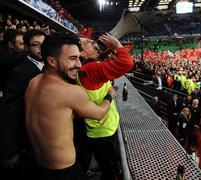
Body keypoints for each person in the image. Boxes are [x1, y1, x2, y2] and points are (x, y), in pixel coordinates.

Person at [25, 33, 115, 180]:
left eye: (79, 58)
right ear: (52, 61)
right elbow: (99, 113)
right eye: (72, 59)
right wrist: (110, 95)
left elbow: (55, 114)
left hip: (37, 167)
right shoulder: (70, 92)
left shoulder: (33, 82)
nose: (79, 65)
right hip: (64, 172)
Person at [78, 34, 134, 180]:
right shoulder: (91, 69)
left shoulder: (86, 67)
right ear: (82, 54)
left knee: (108, 169)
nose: (92, 41)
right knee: (113, 173)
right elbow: (126, 63)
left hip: (98, 131)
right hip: (104, 133)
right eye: (87, 43)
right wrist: (116, 45)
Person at [0, 29, 45, 179]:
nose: (41, 49)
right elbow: (9, 113)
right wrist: (9, 151)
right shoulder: (20, 72)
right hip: (26, 143)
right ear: (26, 47)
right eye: (36, 45)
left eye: (44, 45)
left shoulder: (50, 65)